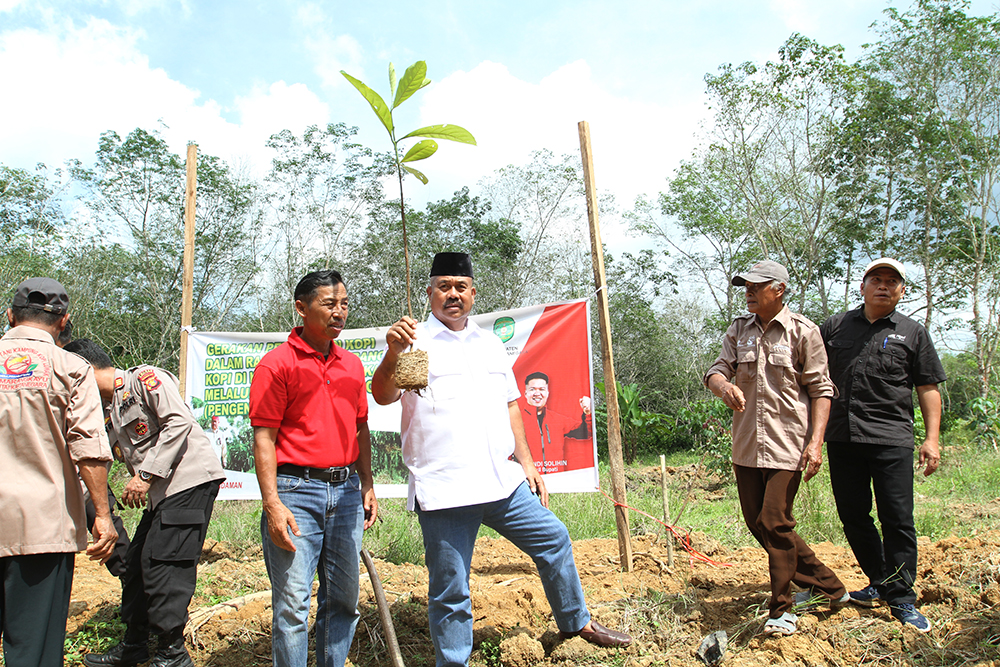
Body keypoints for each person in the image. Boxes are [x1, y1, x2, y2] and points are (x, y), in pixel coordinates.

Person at [371, 252, 631, 667]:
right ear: (430, 292)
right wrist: (392, 354)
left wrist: (527, 463)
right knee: (450, 587)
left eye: (460, 287)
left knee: (554, 538)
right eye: (443, 286)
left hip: (499, 482)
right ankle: (454, 661)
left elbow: (511, 405)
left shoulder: (489, 344)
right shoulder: (415, 342)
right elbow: (383, 395)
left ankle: (574, 622)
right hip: (444, 489)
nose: (452, 295)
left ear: (473, 293)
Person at [704, 260, 847, 637]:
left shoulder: (804, 332)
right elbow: (717, 370)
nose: (747, 291)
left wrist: (816, 444)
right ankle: (829, 588)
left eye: (755, 285)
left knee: (774, 521)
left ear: (778, 289)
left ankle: (781, 609)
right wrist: (723, 386)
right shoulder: (739, 330)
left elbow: (821, 390)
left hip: (789, 444)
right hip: (747, 445)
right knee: (760, 525)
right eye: (744, 286)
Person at [67, 339, 226, 667]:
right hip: (163, 494)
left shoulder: (144, 380)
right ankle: (135, 645)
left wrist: (144, 476)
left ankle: (172, 654)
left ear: (84, 371)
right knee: (137, 565)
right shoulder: (109, 409)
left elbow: (179, 421)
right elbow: (95, 458)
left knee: (163, 564)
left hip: (189, 481)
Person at [249, 269, 378, 667]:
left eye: (343, 304)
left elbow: (361, 429)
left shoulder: (352, 366)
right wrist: (271, 503)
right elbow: (264, 439)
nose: (339, 312)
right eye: (329, 304)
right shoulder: (277, 365)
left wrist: (367, 484)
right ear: (301, 308)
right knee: (292, 605)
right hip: (294, 492)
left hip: (345, 493)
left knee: (342, 598)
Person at [821, 258, 946, 633]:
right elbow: (812, 377)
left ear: (901, 291)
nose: (883, 286)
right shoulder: (836, 326)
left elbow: (928, 387)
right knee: (853, 514)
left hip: (891, 438)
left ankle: (903, 598)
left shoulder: (913, 332)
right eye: (876, 279)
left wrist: (932, 438)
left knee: (897, 518)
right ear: (862, 286)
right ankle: (881, 580)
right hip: (842, 436)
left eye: (892, 281)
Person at [0, 278, 118, 667]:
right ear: (64, 321)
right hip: (41, 528)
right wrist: (103, 515)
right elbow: (88, 447)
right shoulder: (71, 367)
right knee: (33, 648)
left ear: (10, 314)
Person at [56, 322, 132, 581]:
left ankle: (132, 586)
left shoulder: (82, 376)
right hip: (59, 475)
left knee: (109, 531)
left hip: (86, 476)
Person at [521, 371, 592, 473]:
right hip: (526, 482)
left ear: (547, 393)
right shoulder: (515, 420)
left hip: (556, 481)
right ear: (526, 393)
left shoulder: (557, 420)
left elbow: (586, 432)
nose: (537, 393)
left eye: (542, 389)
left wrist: (588, 412)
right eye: (532, 389)